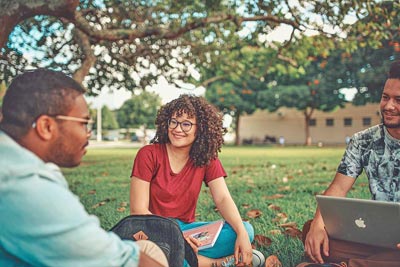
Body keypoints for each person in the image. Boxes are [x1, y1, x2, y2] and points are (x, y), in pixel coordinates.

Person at [0, 68, 168, 267]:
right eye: (84, 123)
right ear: (46, 127)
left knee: (148, 248)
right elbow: (126, 262)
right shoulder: (25, 186)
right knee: (152, 253)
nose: (88, 133)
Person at [129, 94, 264, 267]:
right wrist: (177, 238)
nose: (178, 129)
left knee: (245, 229)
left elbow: (222, 198)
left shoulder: (206, 158)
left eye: (186, 124)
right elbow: (138, 211)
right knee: (156, 253)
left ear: (200, 129)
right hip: (154, 231)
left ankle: (185, 259)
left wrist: (242, 235)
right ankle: (217, 263)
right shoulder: (148, 154)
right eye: (174, 121)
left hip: (189, 232)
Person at [298, 61, 400, 267]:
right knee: (312, 231)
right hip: (379, 236)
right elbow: (338, 187)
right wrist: (318, 225)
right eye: (385, 97)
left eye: (398, 100)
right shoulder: (363, 141)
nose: (388, 106)